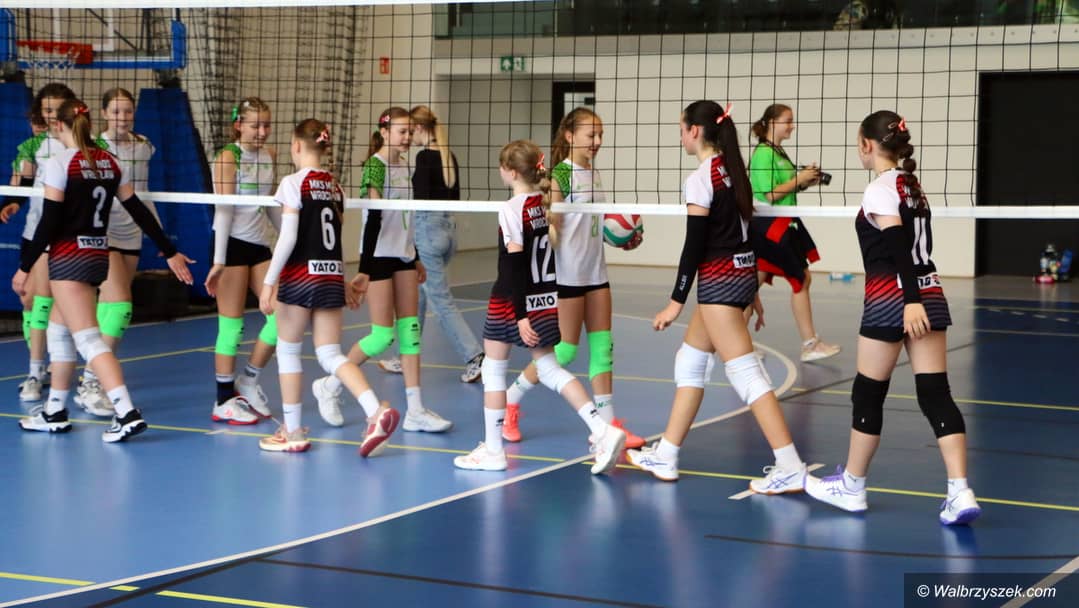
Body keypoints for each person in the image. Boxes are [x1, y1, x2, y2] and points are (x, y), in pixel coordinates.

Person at [805, 111, 980, 525]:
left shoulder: (880, 189)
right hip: (929, 291)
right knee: (935, 394)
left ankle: (852, 486)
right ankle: (960, 491)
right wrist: (918, 298)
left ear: (866, 145)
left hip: (894, 297)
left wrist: (909, 301)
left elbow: (898, 246)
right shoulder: (911, 186)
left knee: (868, 393)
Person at [625, 101, 808, 494]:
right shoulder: (733, 168)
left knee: (746, 374)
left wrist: (676, 301)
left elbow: (693, 245)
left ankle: (790, 465)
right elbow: (747, 232)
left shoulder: (701, 178)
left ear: (694, 131)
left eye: (681, 129)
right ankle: (666, 454)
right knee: (690, 362)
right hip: (738, 275)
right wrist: (750, 290)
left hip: (719, 281)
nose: (680, 136)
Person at [12, 98, 193, 442]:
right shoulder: (110, 162)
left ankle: (126, 412)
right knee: (58, 332)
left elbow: (48, 223)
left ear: (58, 126)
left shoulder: (59, 163)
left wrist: (24, 268)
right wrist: (169, 250)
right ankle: (54, 411)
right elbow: (138, 210)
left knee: (88, 339)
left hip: (68, 257)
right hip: (98, 254)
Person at [453, 139, 626, 473]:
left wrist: (520, 314)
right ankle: (602, 429)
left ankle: (493, 451)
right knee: (549, 369)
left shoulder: (512, 208)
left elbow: (515, 266)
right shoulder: (542, 204)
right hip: (545, 297)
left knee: (493, 371)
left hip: (511, 301)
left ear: (510, 171)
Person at [500, 107, 644, 448]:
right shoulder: (561, 175)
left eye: (600, 135)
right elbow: (551, 229)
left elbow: (592, 224)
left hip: (596, 272)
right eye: (590, 135)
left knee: (603, 350)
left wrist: (620, 236)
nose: (597, 141)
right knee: (562, 353)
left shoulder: (594, 173)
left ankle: (609, 427)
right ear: (569, 136)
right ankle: (511, 400)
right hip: (566, 276)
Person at [258, 119, 398, 455]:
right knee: (330, 354)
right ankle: (375, 411)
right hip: (331, 274)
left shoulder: (293, 183)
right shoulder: (335, 187)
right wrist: (341, 278)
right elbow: (333, 239)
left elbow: (288, 237)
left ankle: (292, 432)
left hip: (300, 276)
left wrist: (268, 282)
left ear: (296, 145)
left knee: (288, 352)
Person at [312, 107, 451, 432]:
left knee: (410, 331)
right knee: (382, 335)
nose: (407, 138)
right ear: (385, 132)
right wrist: (364, 268)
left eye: (410, 132)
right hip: (377, 257)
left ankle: (415, 410)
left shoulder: (405, 166)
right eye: (402, 132)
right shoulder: (375, 166)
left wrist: (415, 256)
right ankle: (330, 385)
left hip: (403, 256)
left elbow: (407, 217)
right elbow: (374, 217)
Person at [71, 87, 167, 417]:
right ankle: (89, 383)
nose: (122, 117)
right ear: (104, 114)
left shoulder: (144, 146)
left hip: (132, 232)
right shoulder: (95, 149)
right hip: (104, 232)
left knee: (111, 310)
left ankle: (95, 373)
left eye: (127, 111)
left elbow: (143, 194)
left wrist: (159, 235)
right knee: (121, 306)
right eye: (115, 112)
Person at [376, 105, 485, 384]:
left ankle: (475, 356)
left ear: (420, 128)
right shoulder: (449, 156)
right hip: (448, 231)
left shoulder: (424, 157)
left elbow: (418, 203)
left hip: (428, 229)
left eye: (410, 131)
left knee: (440, 299)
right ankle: (404, 357)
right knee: (419, 296)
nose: (408, 137)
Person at [205, 97, 280, 424]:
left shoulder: (269, 155)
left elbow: (271, 205)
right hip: (232, 246)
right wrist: (219, 261)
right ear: (238, 125)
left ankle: (248, 380)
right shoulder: (227, 157)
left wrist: (291, 242)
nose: (262, 132)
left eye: (266, 125)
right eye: (255, 125)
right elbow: (223, 211)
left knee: (281, 316)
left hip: (260, 245)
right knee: (232, 326)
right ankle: (222, 400)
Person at [1, 83, 76, 403]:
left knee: (47, 301)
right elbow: (23, 181)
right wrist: (11, 202)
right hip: (35, 231)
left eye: (58, 109)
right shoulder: (33, 145)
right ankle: (38, 368)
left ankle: (41, 369)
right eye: (47, 110)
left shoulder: (79, 144)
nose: (53, 115)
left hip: (64, 235)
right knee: (30, 300)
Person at [748, 104, 840, 362]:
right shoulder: (763, 154)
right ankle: (810, 344)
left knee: (750, 285)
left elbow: (784, 189)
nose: (792, 125)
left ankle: (737, 345)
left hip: (784, 219)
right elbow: (769, 194)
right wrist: (799, 179)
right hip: (770, 223)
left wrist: (805, 182)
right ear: (772, 122)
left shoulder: (778, 152)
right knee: (800, 278)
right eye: (787, 121)